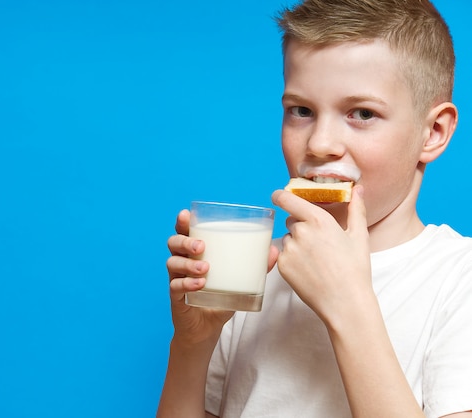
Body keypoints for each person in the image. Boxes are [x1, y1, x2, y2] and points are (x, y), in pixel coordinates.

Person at [156, 0, 472, 417]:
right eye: (301, 111)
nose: (320, 144)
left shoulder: (457, 280)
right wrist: (192, 345)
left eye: (362, 113)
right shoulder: (254, 273)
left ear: (432, 132)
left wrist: (348, 303)